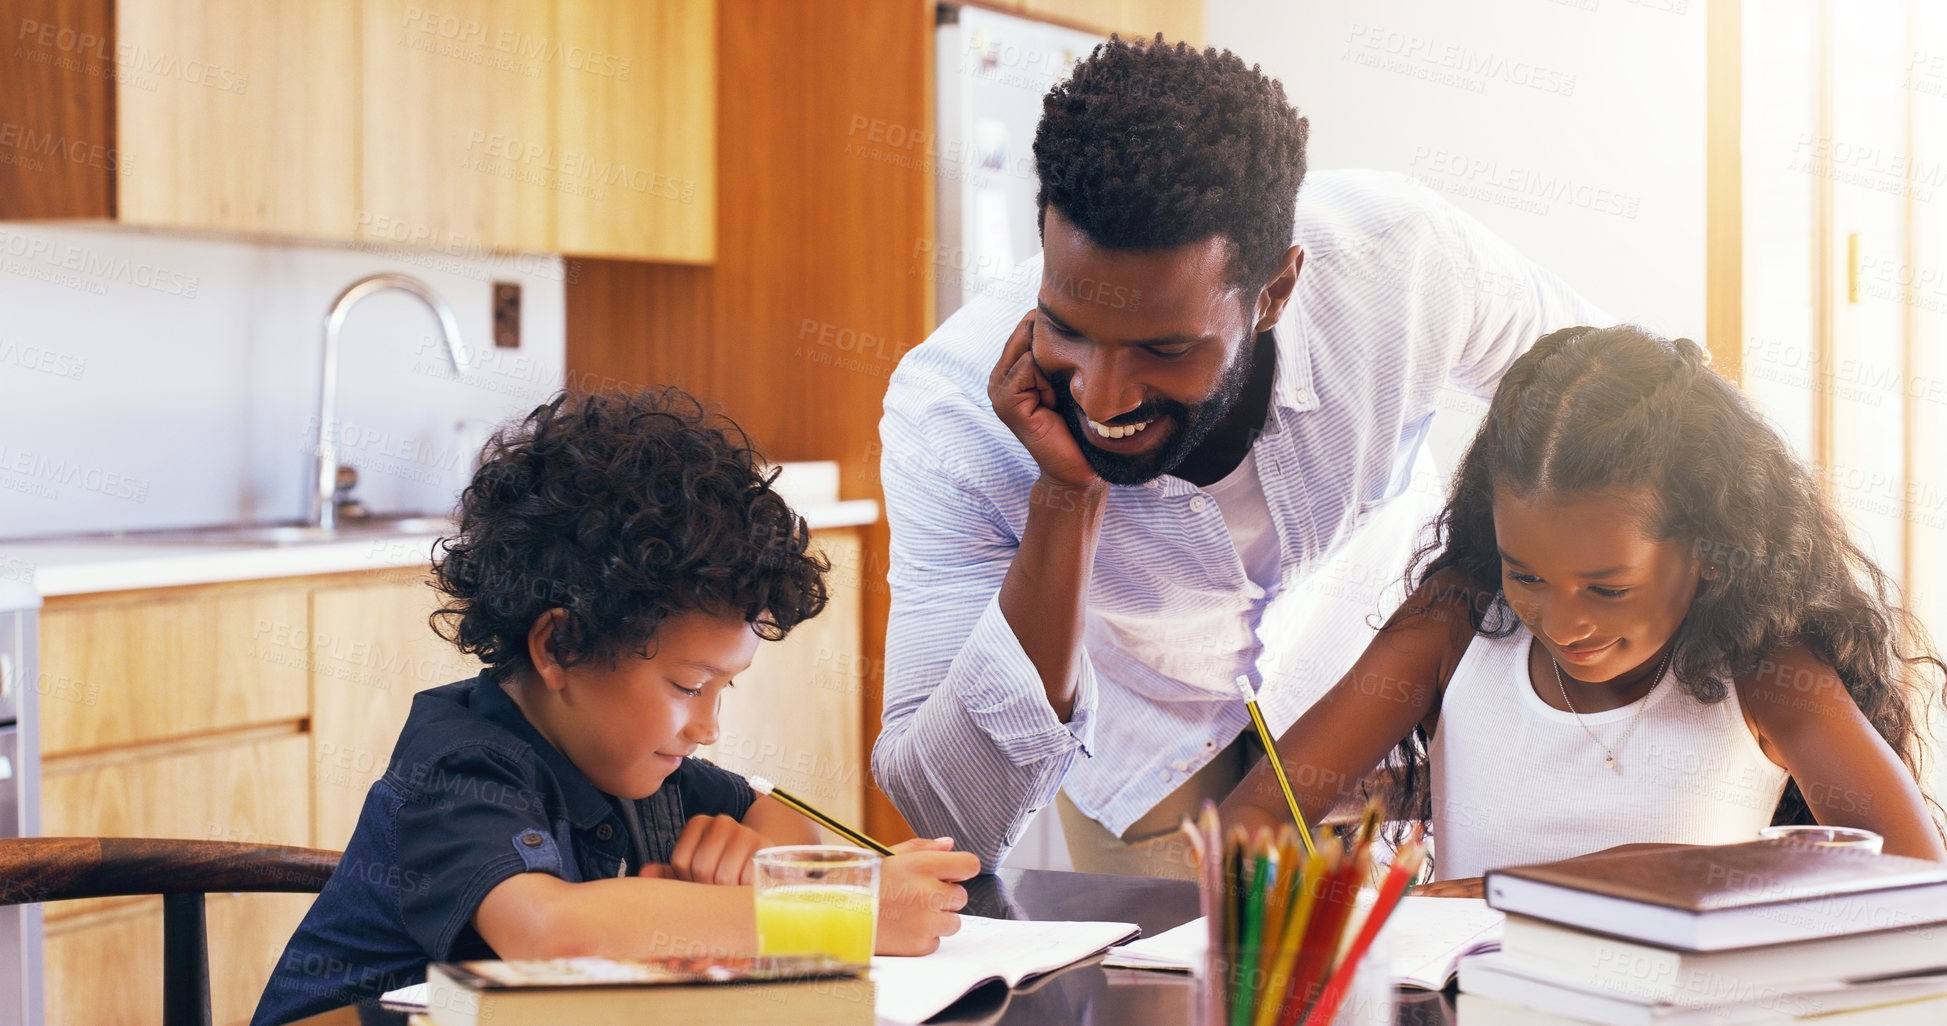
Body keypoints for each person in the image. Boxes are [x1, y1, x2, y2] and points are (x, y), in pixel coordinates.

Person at [875, 35, 1609, 875]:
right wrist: (1065, 498)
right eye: (1067, 329)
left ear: (1274, 294)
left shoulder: (1403, 264)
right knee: (1169, 991)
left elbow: (1629, 402)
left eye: (1163, 348)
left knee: (1392, 994)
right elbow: (950, 810)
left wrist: (1474, 597)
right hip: (1148, 754)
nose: (1103, 396)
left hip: (1370, 706)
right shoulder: (951, 411)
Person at [253, 390, 978, 1025]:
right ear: (561, 645)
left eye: (725, 688)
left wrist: (780, 863)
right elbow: (554, 933)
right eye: (689, 687)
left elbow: (772, 819)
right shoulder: (458, 767)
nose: (708, 727)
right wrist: (841, 911)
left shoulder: (630, 759)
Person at [1220, 325, 1947, 883]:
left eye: (1609, 589)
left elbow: (1919, 887)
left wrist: (1522, 891)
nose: (1565, 624)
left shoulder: (1762, 669)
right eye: (1525, 574)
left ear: (1706, 550)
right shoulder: (1457, 622)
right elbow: (1253, 813)